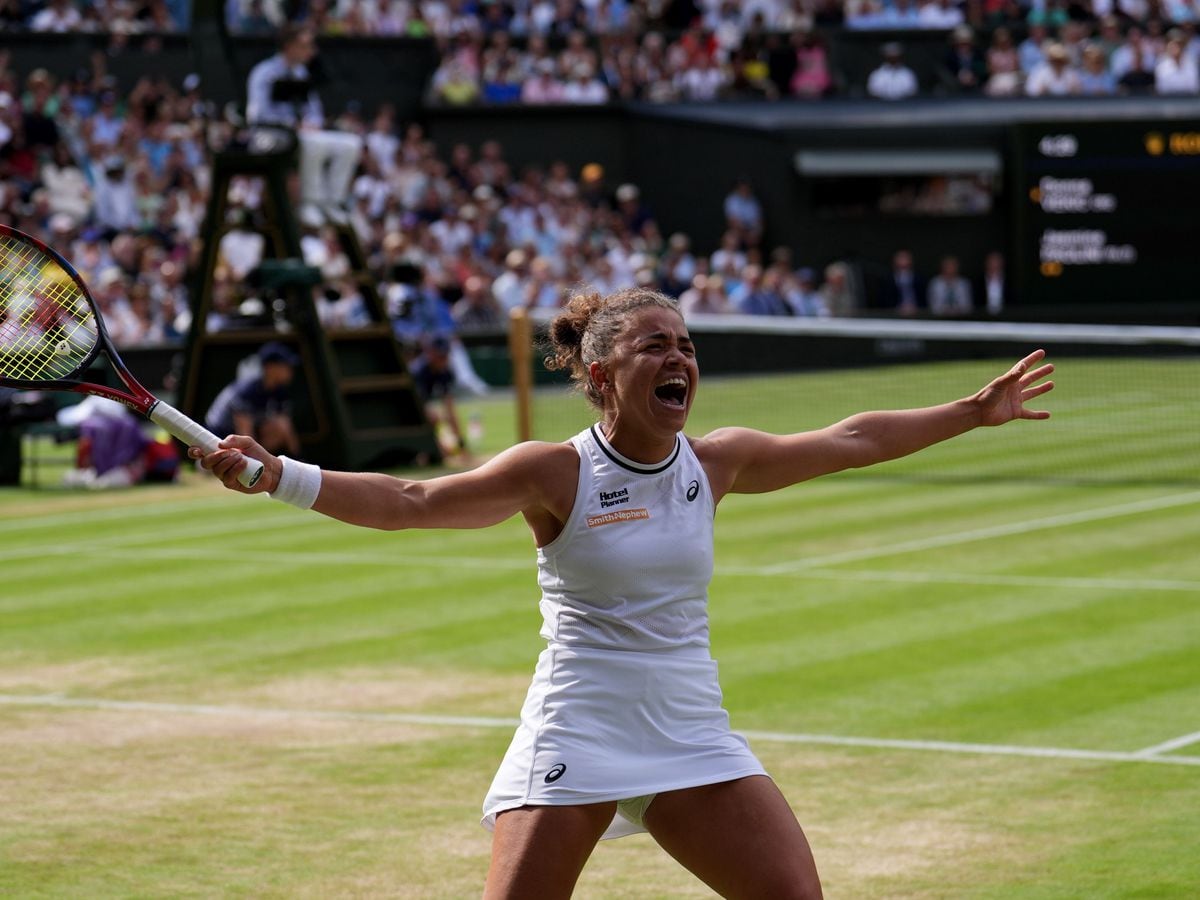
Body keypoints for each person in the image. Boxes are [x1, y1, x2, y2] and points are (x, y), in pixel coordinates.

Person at [193, 288, 1056, 897]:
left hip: (690, 728)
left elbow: (853, 437)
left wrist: (971, 413)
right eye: (654, 345)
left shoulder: (717, 461)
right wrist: (282, 477)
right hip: (583, 723)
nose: (678, 356)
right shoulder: (555, 471)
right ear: (603, 377)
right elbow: (414, 501)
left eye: (684, 344)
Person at [245, 23, 363, 226]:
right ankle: (310, 203)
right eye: (306, 45)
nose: (311, 50)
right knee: (312, 143)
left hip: (300, 134)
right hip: (267, 136)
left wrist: (312, 124)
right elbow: (257, 114)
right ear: (290, 46)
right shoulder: (264, 73)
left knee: (351, 144)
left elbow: (314, 112)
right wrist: (292, 125)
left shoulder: (302, 74)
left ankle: (333, 202)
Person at [205, 341, 302, 457]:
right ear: (270, 367)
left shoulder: (278, 390)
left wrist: (299, 461)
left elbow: (285, 426)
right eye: (285, 365)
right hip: (219, 435)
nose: (290, 370)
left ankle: (258, 463)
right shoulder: (248, 389)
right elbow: (244, 431)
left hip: (246, 433)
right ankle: (246, 463)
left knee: (280, 427)